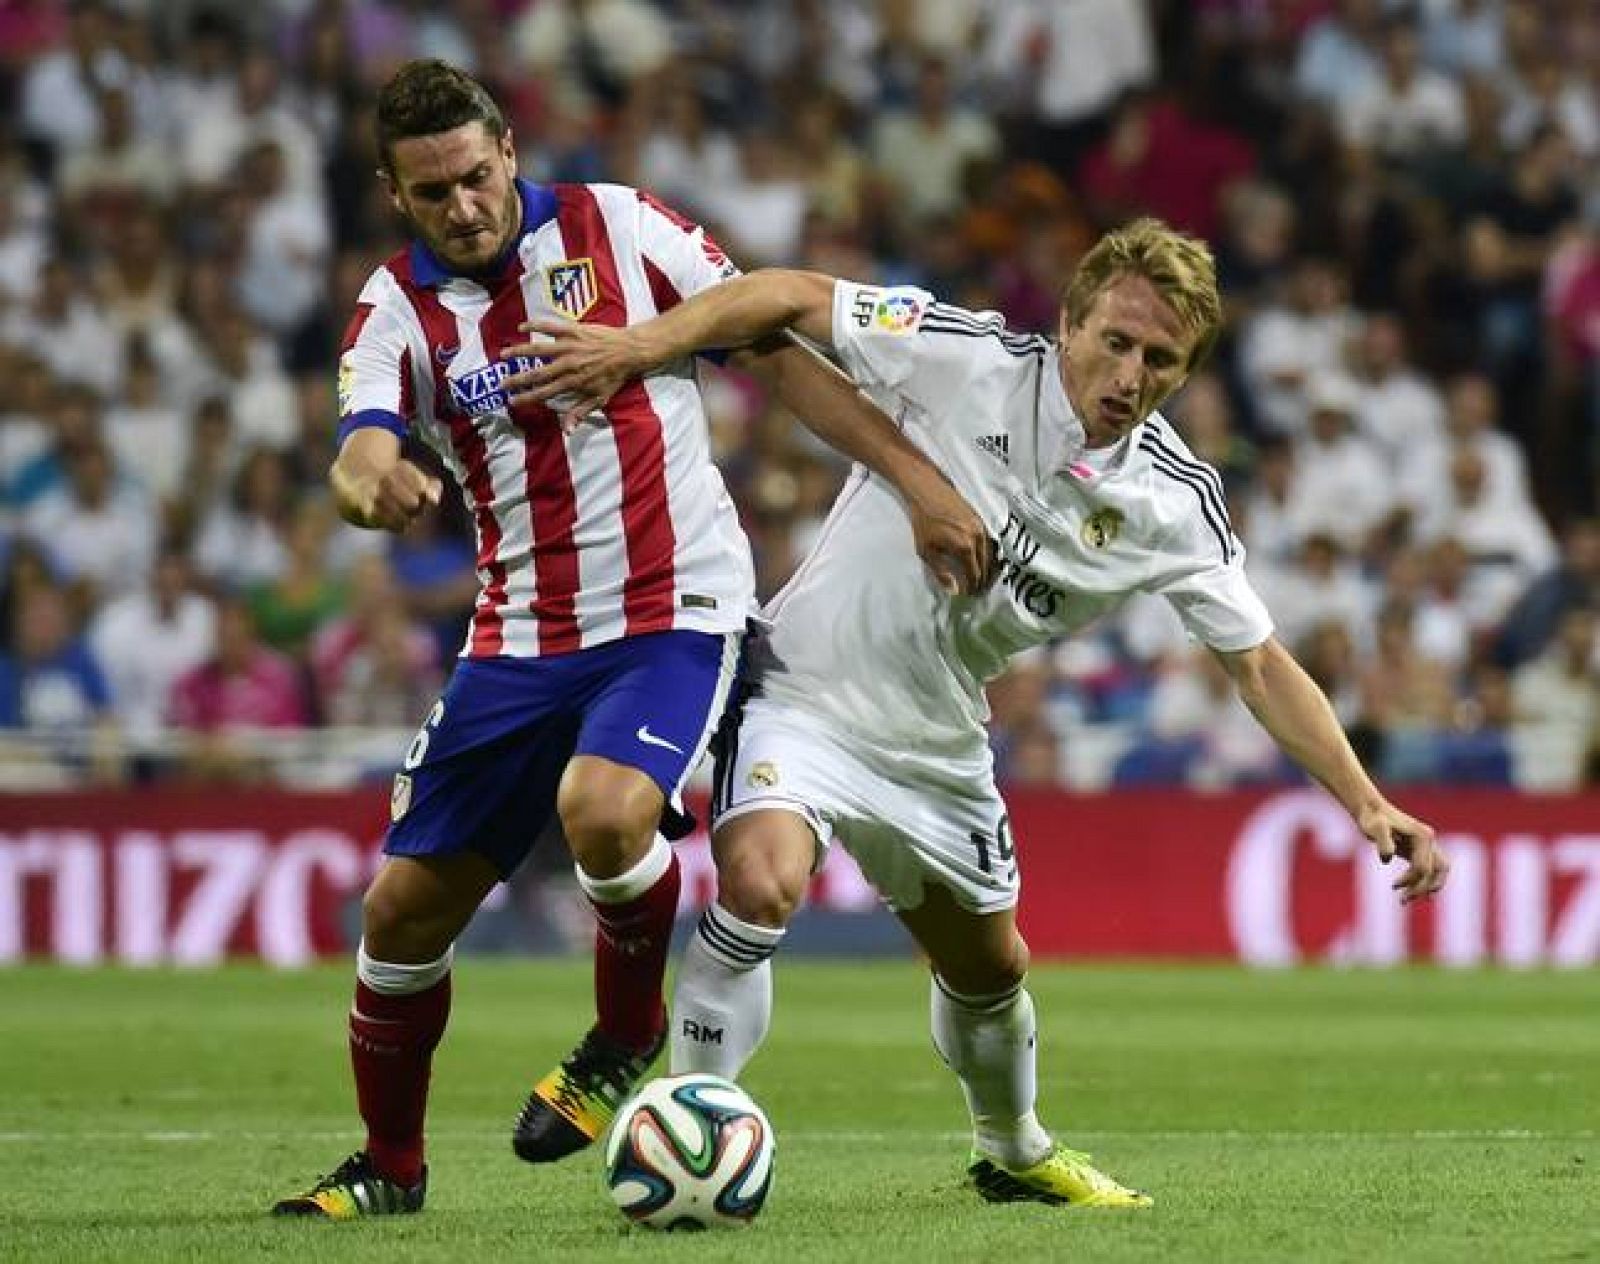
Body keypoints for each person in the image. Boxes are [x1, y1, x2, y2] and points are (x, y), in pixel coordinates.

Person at [506, 216, 1451, 1208]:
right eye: (1114, 342)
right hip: (803, 691)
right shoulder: (967, 356)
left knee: (989, 963)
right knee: (759, 880)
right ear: (1072, 323)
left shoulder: (1172, 499)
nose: (1127, 374)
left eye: (1159, 360)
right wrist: (643, 343)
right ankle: (688, 1122)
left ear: (1187, 373)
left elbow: (1256, 661)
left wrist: (1365, 801)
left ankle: (1013, 1146)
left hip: (939, 738)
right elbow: (784, 295)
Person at [272, 60, 989, 1220]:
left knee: (603, 809)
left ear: (507, 148)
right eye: (431, 191)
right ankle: (389, 1169)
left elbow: (768, 341)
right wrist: (378, 483)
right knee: (400, 914)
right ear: (392, 194)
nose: (462, 205)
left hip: (674, 611)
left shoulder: (619, 224)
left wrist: (914, 485)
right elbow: (357, 448)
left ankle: (623, 1030)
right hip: (515, 639)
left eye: (472, 175)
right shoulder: (393, 307)